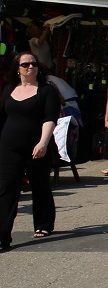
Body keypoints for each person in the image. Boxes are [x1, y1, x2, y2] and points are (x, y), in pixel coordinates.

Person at [0, 52, 59, 247]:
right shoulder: (9, 89)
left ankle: (43, 223)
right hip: (9, 146)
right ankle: (3, 235)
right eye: (25, 65)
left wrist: (43, 142)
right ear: (17, 68)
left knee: (39, 184)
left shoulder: (46, 90)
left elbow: (50, 118)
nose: (30, 67)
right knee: (7, 188)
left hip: (36, 145)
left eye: (34, 64)